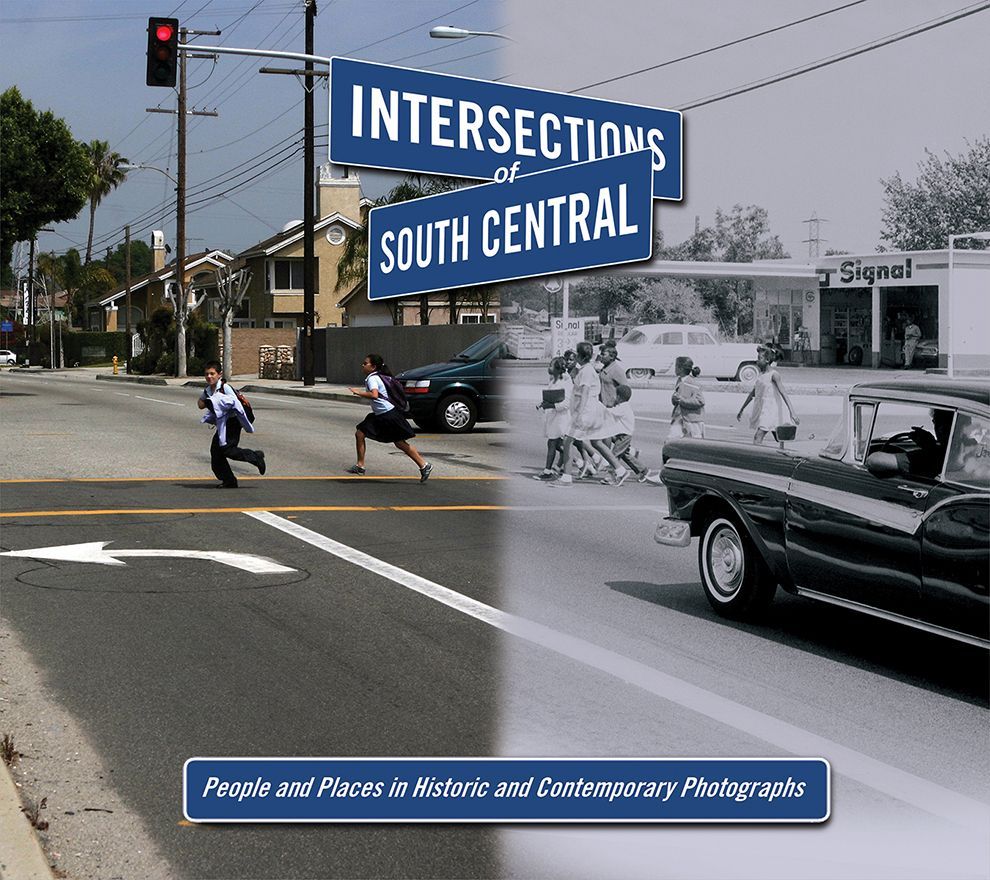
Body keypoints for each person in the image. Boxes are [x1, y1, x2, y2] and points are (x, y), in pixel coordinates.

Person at [349, 354, 432, 481]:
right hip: (381, 414)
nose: (363, 365)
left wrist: (358, 392)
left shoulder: (372, 378)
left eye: (365, 363)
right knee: (360, 433)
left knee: (400, 443)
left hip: (388, 415)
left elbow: (374, 395)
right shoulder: (376, 377)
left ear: (373, 367)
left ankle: (424, 465)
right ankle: (360, 465)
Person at [197, 360, 266, 488]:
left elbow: (236, 404)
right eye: (207, 374)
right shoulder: (208, 390)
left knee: (228, 450)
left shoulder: (225, 388)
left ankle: (255, 457)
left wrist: (220, 403)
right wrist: (209, 402)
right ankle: (229, 480)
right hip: (223, 423)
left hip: (233, 422)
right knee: (216, 452)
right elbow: (200, 404)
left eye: (212, 374)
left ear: (219, 374)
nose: (209, 376)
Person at [736, 346, 800, 447]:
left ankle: (757, 458)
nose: (757, 361)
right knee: (778, 437)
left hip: (771, 410)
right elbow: (753, 393)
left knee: (758, 436)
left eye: (759, 358)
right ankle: (783, 454)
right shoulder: (761, 375)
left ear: (767, 360)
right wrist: (741, 409)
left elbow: (783, 393)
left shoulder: (774, 375)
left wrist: (792, 412)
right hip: (763, 410)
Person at [534, 356, 572, 480]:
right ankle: (577, 462)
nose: (548, 368)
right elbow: (550, 396)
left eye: (551, 365)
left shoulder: (566, 382)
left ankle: (548, 471)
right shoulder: (553, 380)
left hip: (561, 418)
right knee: (558, 445)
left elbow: (566, 403)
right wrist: (542, 403)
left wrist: (551, 405)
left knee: (552, 443)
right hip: (552, 416)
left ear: (558, 369)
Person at [669, 356, 705, 440]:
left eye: (676, 366)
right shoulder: (680, 380)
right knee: (672, 442)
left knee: (693, 445)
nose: (674, 369)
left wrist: (681, 400)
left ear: (681, 369)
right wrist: (674, 399)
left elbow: (700, 401)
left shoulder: (692, 383)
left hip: (692, 420)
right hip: (680, 418)